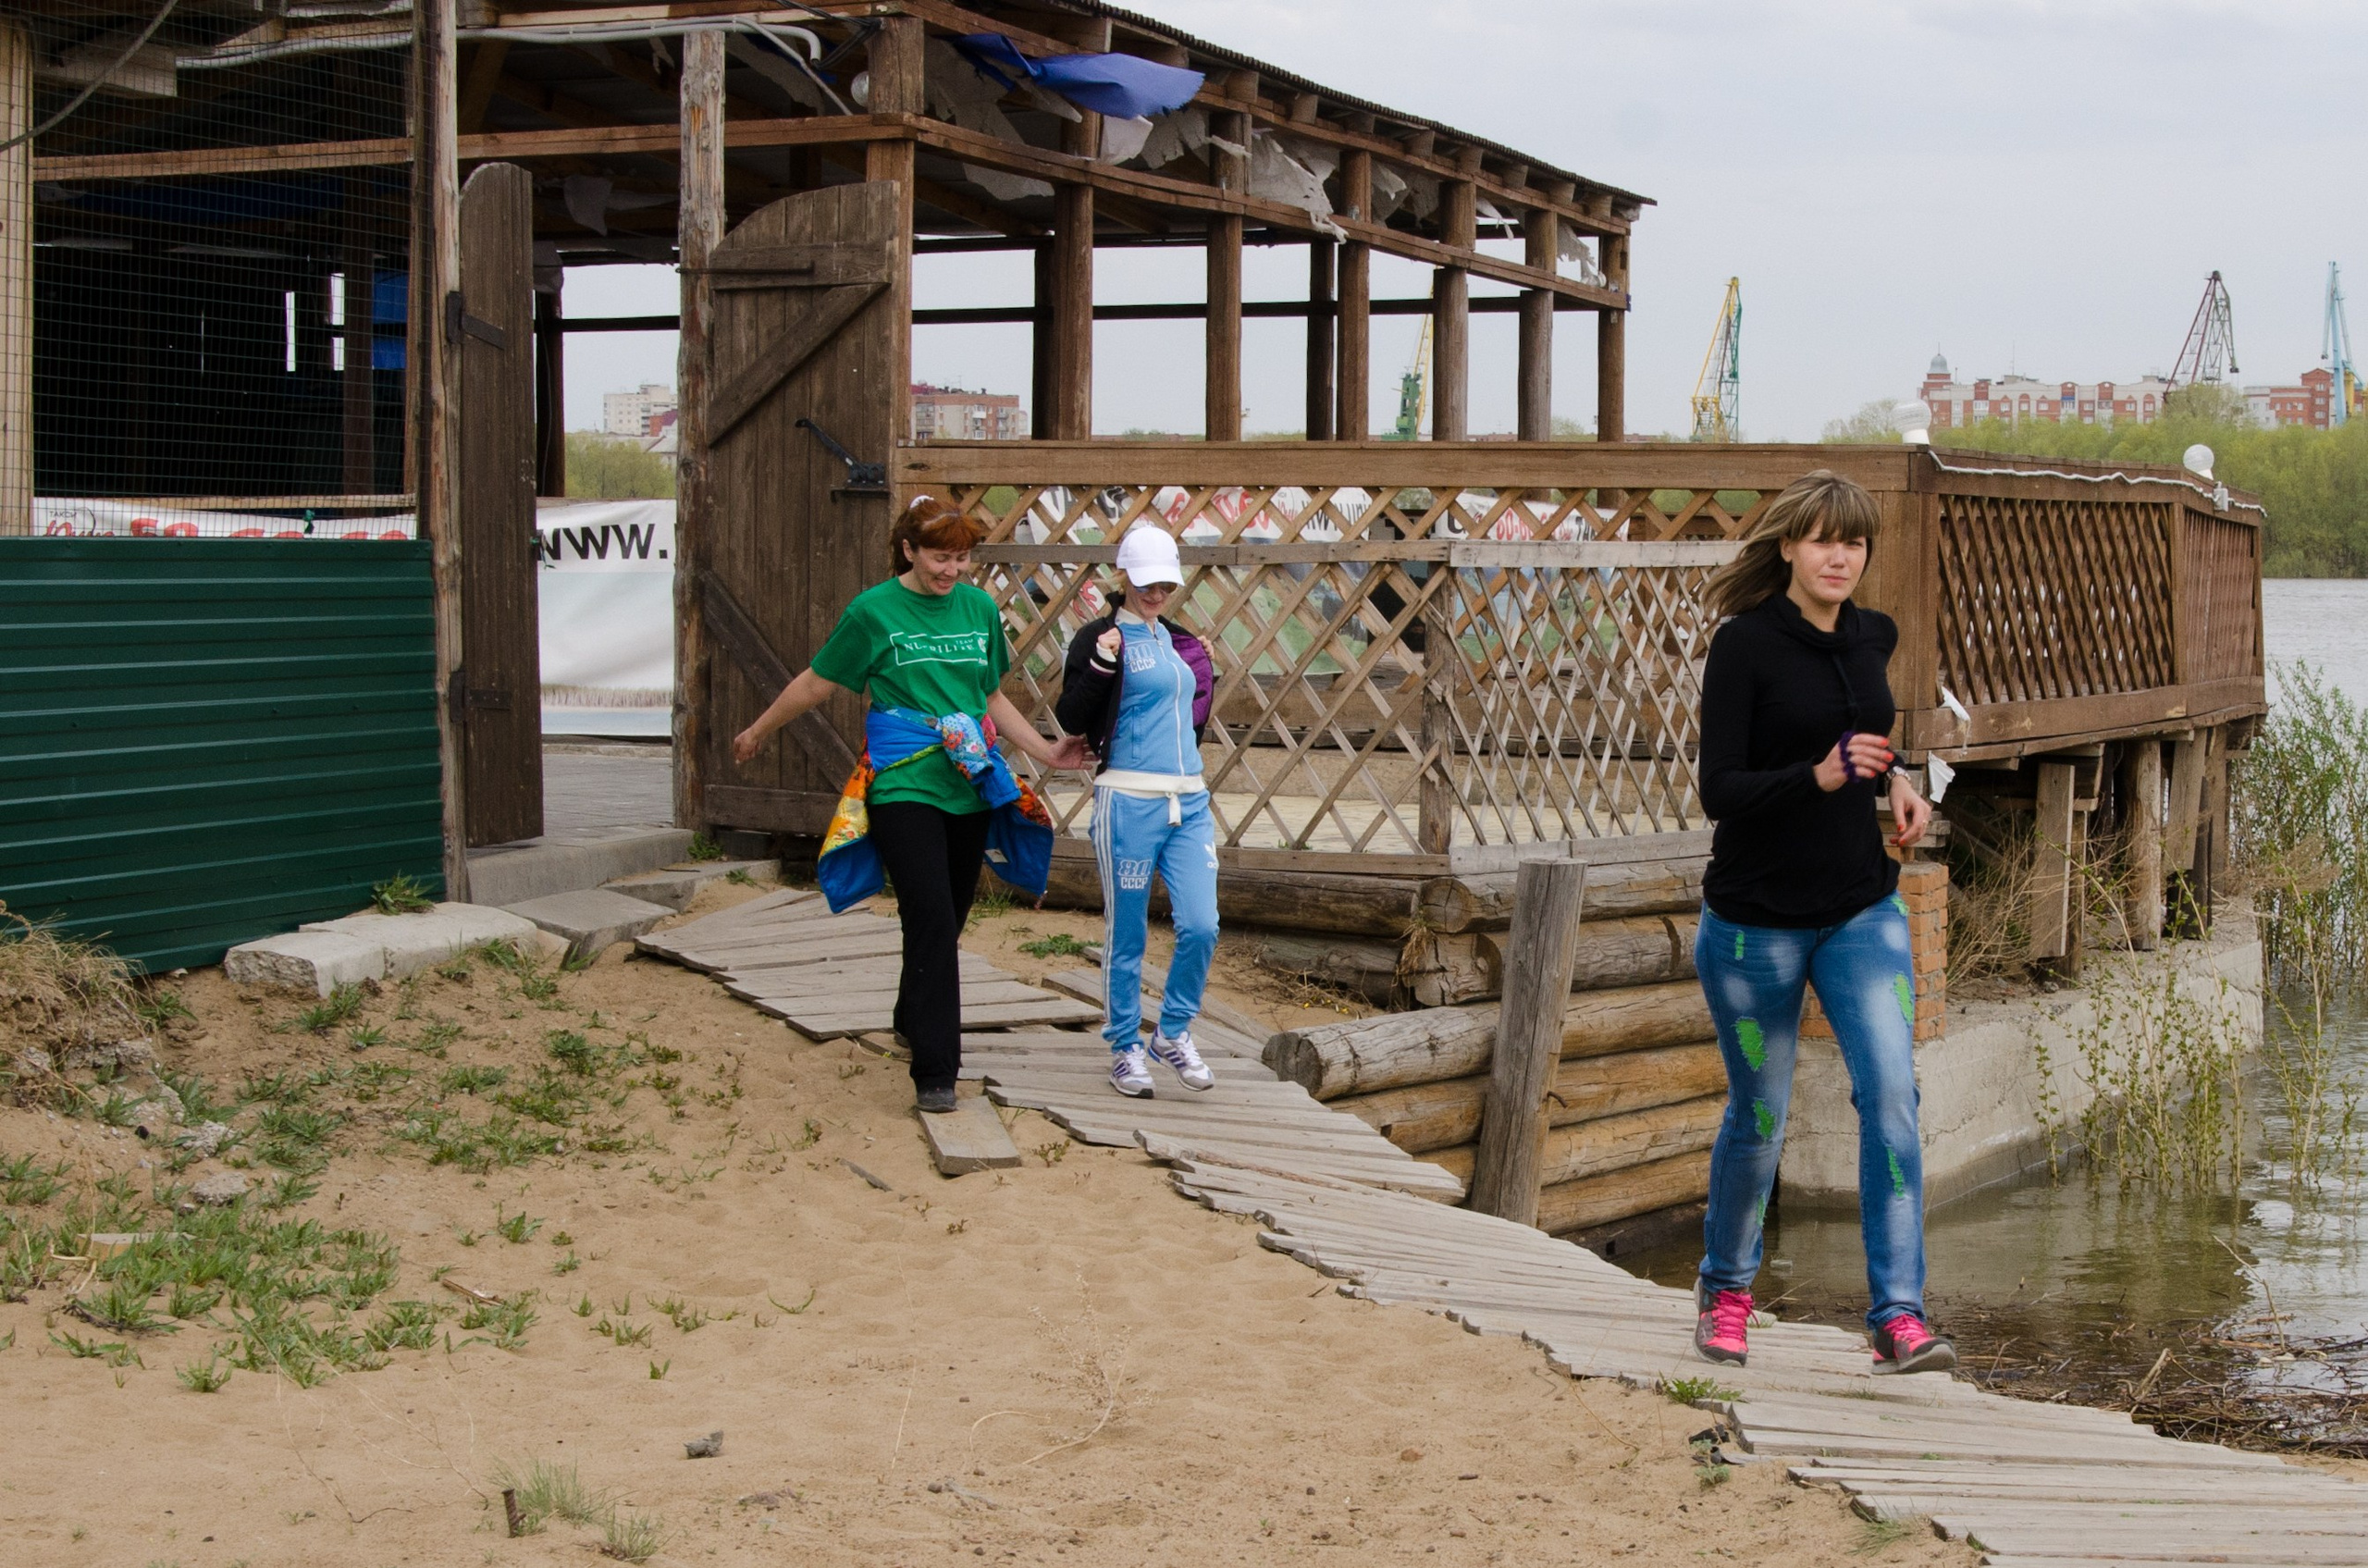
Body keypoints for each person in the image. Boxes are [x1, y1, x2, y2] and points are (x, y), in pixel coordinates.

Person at [1687, 469, 1955, 1377]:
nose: (1839, 555)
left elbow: (1864, 744)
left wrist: (1898, 780)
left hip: (1859, 909)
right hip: (1751, 927)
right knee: (1759, 1115)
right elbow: (1717, 791)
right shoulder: (1744, 647)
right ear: (1789, 547)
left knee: (1890, 1097)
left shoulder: (1873, 636)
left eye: (1854, 542)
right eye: (1821, 540)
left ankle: (1898, 1315)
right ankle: (1726, 1291)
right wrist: (1820, 777)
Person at [731, 496, 1088, 1115]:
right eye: (938, 556)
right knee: (926, 914)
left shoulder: (977, 609)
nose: (951, 569)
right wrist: (761, 730)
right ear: (907, 550)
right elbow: (817, 680)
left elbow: (989, 695)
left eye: (961, 557)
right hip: (902, 779)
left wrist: (1046, 751)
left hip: (970, 779)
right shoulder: (873, 611)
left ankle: (908, 1013)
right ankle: (936, 1068)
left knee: (947, 916)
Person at [1054, 525, 1219, 1099]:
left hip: (1189, 798)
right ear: (1123, 575)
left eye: (1166, 584)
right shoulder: (1098, 637)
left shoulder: (1181, 639)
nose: (1156, 594)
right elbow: (1071, 716)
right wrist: (1102, 666)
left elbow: (1193, 714)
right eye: (1147, 583)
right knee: (1127, 933)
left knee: (1202, 925)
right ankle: (1125, 1045)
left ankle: (1171, 1032)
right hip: (1127, 798)